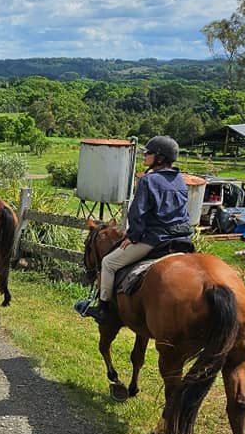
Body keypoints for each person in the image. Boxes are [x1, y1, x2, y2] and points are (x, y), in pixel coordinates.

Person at [79, 135, 190, 322]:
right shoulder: (180, 180)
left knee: (108, 263)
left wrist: (134, 236)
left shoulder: (148, 180)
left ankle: (103, 309)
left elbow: (137, 213)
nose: (145, 156)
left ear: (159, 158)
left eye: (149, 153)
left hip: (155, 239)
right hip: (183, 239)